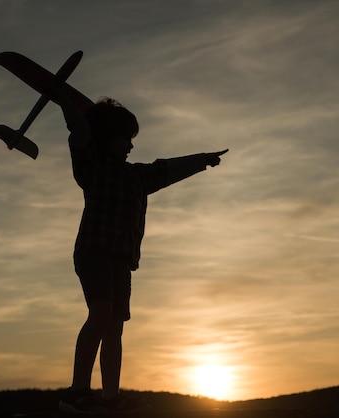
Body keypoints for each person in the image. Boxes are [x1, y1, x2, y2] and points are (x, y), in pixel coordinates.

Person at [57, 95, 228, 414]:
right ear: (106, 138)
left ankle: (110, 398)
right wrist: (63, 99)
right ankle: (77, 391)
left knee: (115, 326)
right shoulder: (91, 166)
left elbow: (167, 169)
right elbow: (78, 131)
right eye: (125, 139)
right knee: (101, 313)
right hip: (94, 252)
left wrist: (202, 159)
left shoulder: (137, 176)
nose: (130, 146)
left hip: (122, 259)